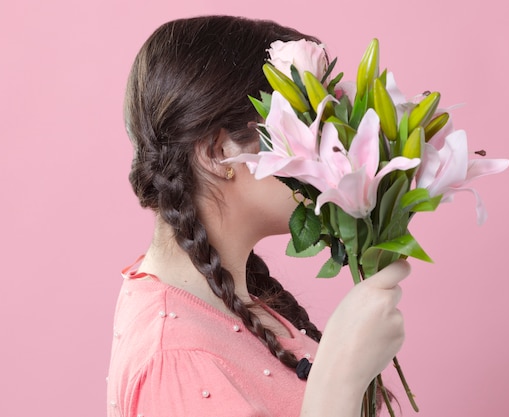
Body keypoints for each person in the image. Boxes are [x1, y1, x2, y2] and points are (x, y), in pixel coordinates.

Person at [107, 15, 410, 417]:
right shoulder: (177, 356)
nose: (333, 150)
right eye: (302, 125)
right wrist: (340, 379)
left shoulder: (227, 302)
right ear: (219, 152)